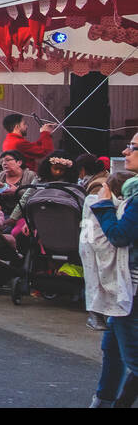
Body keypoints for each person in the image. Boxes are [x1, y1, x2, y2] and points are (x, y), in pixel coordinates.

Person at [88, 135, 138, 408]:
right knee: (114, 349)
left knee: (129, 354)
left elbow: (119, 236)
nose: (125, 150)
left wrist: (104, 205)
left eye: (133, 146)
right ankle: (106, 401)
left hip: (132, 288)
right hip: (128, 286)